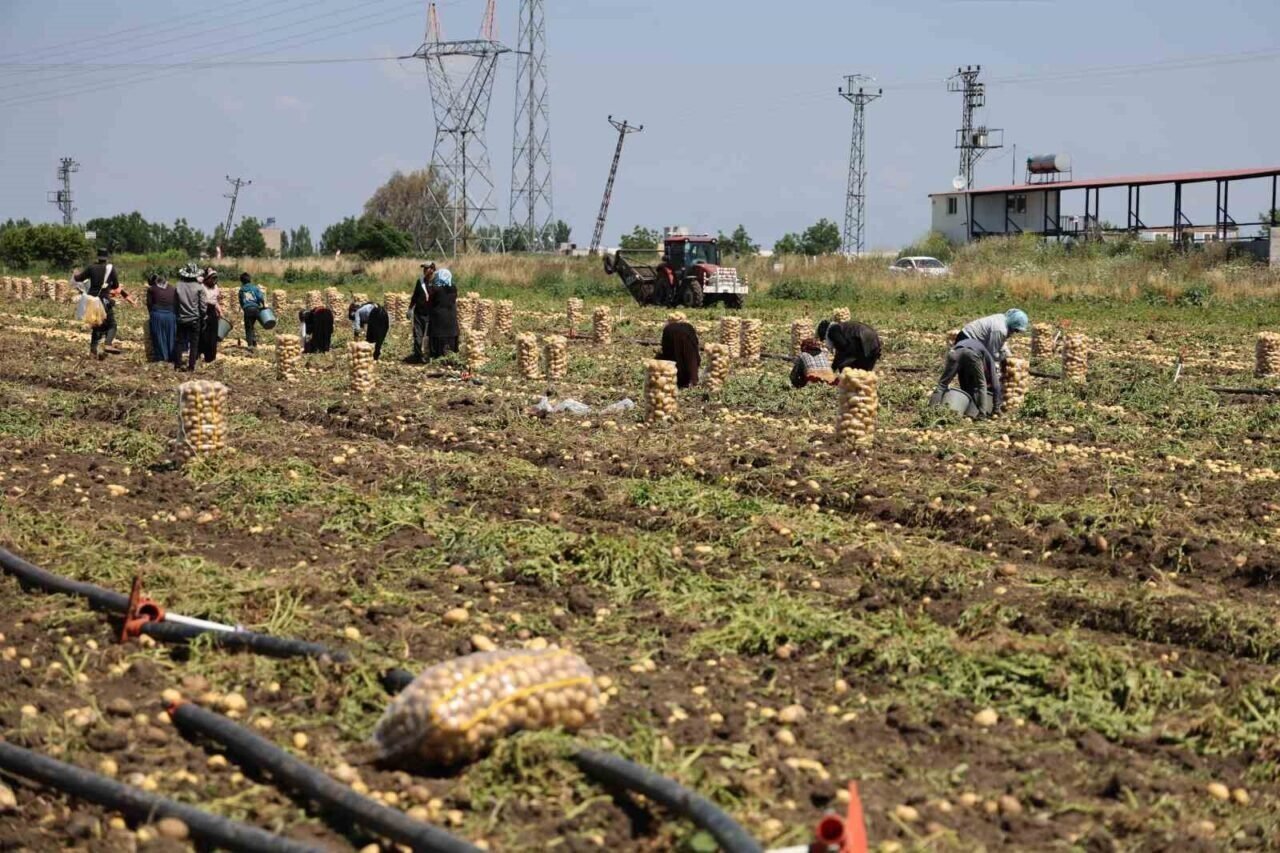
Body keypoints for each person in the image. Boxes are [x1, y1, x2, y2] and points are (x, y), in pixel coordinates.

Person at [74, 248, 136, 359]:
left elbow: (79, 278)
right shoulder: (110, 269)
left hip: (92, 300)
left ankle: (93, 351)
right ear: (107, 258)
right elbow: (116, 285)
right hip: (103, 300)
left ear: (97, 257)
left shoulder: (91, 267)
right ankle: (108, 344)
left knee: (97, 325)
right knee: (112, 325)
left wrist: (75, 273)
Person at [935, 334, 1001, 418]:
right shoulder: (990, 361)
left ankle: (932, 410)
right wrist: (996, 407)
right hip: (972, 353)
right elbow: (996, 385)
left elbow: (963, 382)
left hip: (955, 352)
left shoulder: (970, 363)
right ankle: (982, 414)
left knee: (942, 384)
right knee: (981, 384)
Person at [955, 309, 1029, 364]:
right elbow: (992, 354)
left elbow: (1001, 344)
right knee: (975, 372)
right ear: (1012, 324)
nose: (1014, 332)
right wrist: (1006, 360)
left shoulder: (1002, 318)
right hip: (966, 341)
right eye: (1015, 330)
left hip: (966, 337)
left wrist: (1009, 355)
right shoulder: (1000, 329)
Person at [174, 271, 207, 371]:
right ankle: (191, 366)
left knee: (179, 342)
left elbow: (175, 303)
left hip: (181, 319)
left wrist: (177, 314)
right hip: (194, 319)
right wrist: (203, 316)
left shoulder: (178, 286)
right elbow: (203, 306)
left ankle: (177, 365)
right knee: (194, 343)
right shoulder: (199, 287)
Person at [406, 261, 437, 363]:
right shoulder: (420, 282)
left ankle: (428, 356)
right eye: (424, 268)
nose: (424, 270)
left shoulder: (436, 282)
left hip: (430, 314)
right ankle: (417, 355)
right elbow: (415, 296)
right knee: (417, 335)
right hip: (419, 313)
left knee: (427, 337)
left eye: (427, 268)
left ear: (432, 269)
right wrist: (410, 309)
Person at [659, 314, 700, 389]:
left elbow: (666, 350)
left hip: (673, 373)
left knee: (674, 357)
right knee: (691, 358)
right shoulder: (689, 327)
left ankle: (677, 380)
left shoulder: (668, 329)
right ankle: (693, 381)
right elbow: (695, 345)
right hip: (688, 341)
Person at [425, 268, 459, 359]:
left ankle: (437, 356)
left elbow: (428, 301)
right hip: (451, 319)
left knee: (438, 339)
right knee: (450, 339)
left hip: (438, 320)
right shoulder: (453, 288)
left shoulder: (435, 289)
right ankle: (450, 356)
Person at [145, 274, 178, 363]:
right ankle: (171, 356)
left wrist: (152, 316)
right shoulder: (173, 288)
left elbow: (149, 304)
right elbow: (176, 304)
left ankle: (162, 357)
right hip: (171, 315)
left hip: (157, 315)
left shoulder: (151, 289)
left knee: (158, 337)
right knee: (171, 336)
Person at [238, 272, 267, 353]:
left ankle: (250, 345)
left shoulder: (241, 290)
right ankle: (254, 342)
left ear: (241, 281)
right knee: (252, 325)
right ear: (250, 280)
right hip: (256, 309)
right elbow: (260, 297)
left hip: (247, 310)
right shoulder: (254, 288)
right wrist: (264, 305)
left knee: (248, 327)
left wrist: (244, 309)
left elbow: (241, 302)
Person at [198, 270, 222, 363]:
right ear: (207, 279)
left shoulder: (215, 287)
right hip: (204, 310)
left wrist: (219, 311)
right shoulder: (202, 287)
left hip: (212, 311)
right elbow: (202, 300)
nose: (214, 281)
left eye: (215, 279)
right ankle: (202, 353)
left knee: (213, 334)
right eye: (212, 279)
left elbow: (215, 301)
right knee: (204, 334)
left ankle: (211, 357)